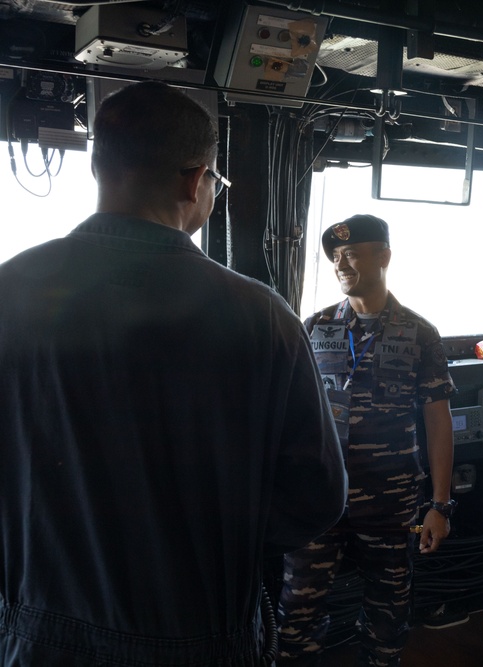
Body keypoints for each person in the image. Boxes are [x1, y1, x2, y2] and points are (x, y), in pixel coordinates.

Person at [0, 81, 348, 666]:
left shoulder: (8, 291)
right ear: (196, 180)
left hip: (38, 632)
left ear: (98, 169)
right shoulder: (262, 315)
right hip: (197, 633)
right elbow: (315, 495)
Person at [277, 214, 456, 667]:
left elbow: (438, 421)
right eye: (336, 257)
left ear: (384, 257)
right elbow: (291, 412)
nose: (341, 264)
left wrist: (439, 504)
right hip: (320, 499)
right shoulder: (315, 327)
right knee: (298, 608)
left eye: (351, 254)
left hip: (392, 504)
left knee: (389, 609)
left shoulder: (420, 334)